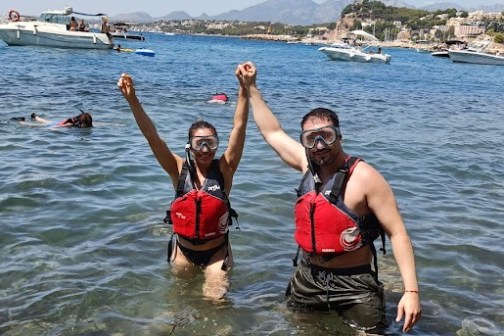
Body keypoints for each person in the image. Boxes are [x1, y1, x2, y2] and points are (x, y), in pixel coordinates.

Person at [235, 61, 421, 334]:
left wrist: (411, 291)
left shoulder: (366, 177)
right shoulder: (306, 165)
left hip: (354, 283)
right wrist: (251, 88)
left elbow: (398, 234)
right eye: (311, 139)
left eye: (326, 136)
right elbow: (272, 132)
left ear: (339, 136)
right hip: (309, 276)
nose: (319, 145)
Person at [117, 70, 249, 300]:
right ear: (190, 146)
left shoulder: (225, 169)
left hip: (216, 253)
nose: (205, 150)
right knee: (176, 304)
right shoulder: (176, 168)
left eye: (211, 143)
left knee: (215, 301)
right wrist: (133, 100)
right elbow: (152, 136)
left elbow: (239, 128)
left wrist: (244, 90)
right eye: (200, 144)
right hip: (183, 252)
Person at [12, 112, 93, 128]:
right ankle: (21, 121)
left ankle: (35, 117)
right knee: (33, 125)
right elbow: (60, 126)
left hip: (57, 122)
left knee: (45, 121)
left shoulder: (74, 121)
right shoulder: (71, 124)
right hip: (57, 124)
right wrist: (51, 129)